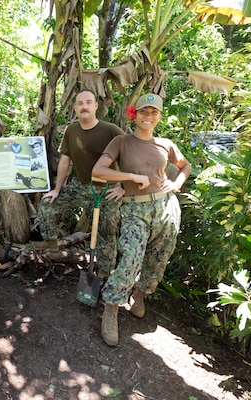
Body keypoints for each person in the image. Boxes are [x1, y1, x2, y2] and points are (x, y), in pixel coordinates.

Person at [92, 93, 192, 346]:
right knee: (131, 258)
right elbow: (98, 171)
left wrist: (177, 183)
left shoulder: (165, 144)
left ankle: (139, 293)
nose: (148, 117)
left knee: (159, 256)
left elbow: (185, 166)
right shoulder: (121, 142)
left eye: (154, 112)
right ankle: (112, 307)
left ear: (159, 115)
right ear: (134, 114)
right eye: (143, 112)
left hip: (166, 207)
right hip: (135, 209)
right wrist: (131, 178)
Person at [36, 89, 138, 277]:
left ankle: (105, 273)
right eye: (80, 103)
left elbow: (131, 156)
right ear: (75, 107)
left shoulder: (110, 130)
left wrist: (123, 187)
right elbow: (65, 161)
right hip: (80, 186)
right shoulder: (71, 130)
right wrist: (57, 190)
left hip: (107, 191)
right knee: (47, 207)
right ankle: (54, 249)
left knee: (106, 233)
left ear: (96, 106)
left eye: (88, 102)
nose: (84, 106)